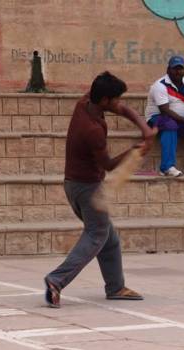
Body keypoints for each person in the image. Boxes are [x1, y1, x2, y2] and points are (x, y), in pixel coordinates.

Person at [43, 71, 155, 308]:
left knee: (109, 237)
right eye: (114, 100)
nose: (118, 104)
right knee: (96, 235)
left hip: (75, 184)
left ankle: (115, 286)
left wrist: (144, 127)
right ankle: (57, 279)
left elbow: (123, 109)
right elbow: (109, 165)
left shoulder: (85, 102)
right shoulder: (92, 130)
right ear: (104, 100)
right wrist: (135, 151)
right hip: (87, 189)